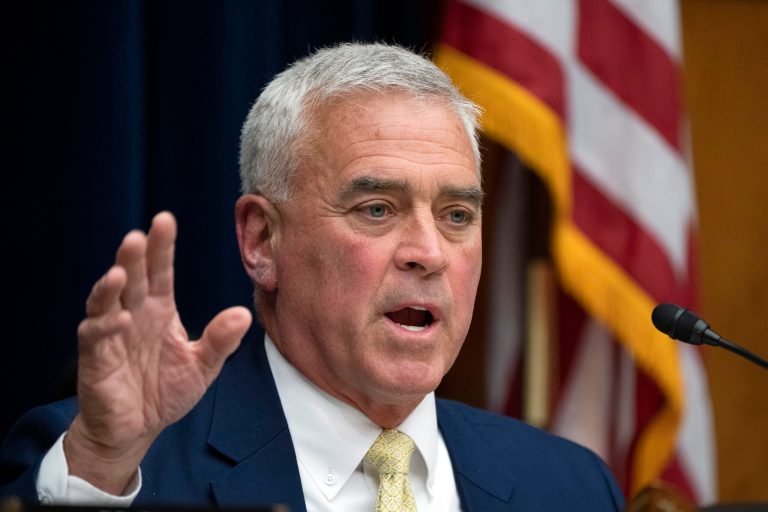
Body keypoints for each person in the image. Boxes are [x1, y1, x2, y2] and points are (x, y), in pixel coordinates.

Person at [0, 43, 624, 511]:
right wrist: (102, 464)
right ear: (261, 241)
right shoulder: (112, 468)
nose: (429, 252)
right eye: (376, 209)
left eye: (456, 214)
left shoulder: (569, 485)